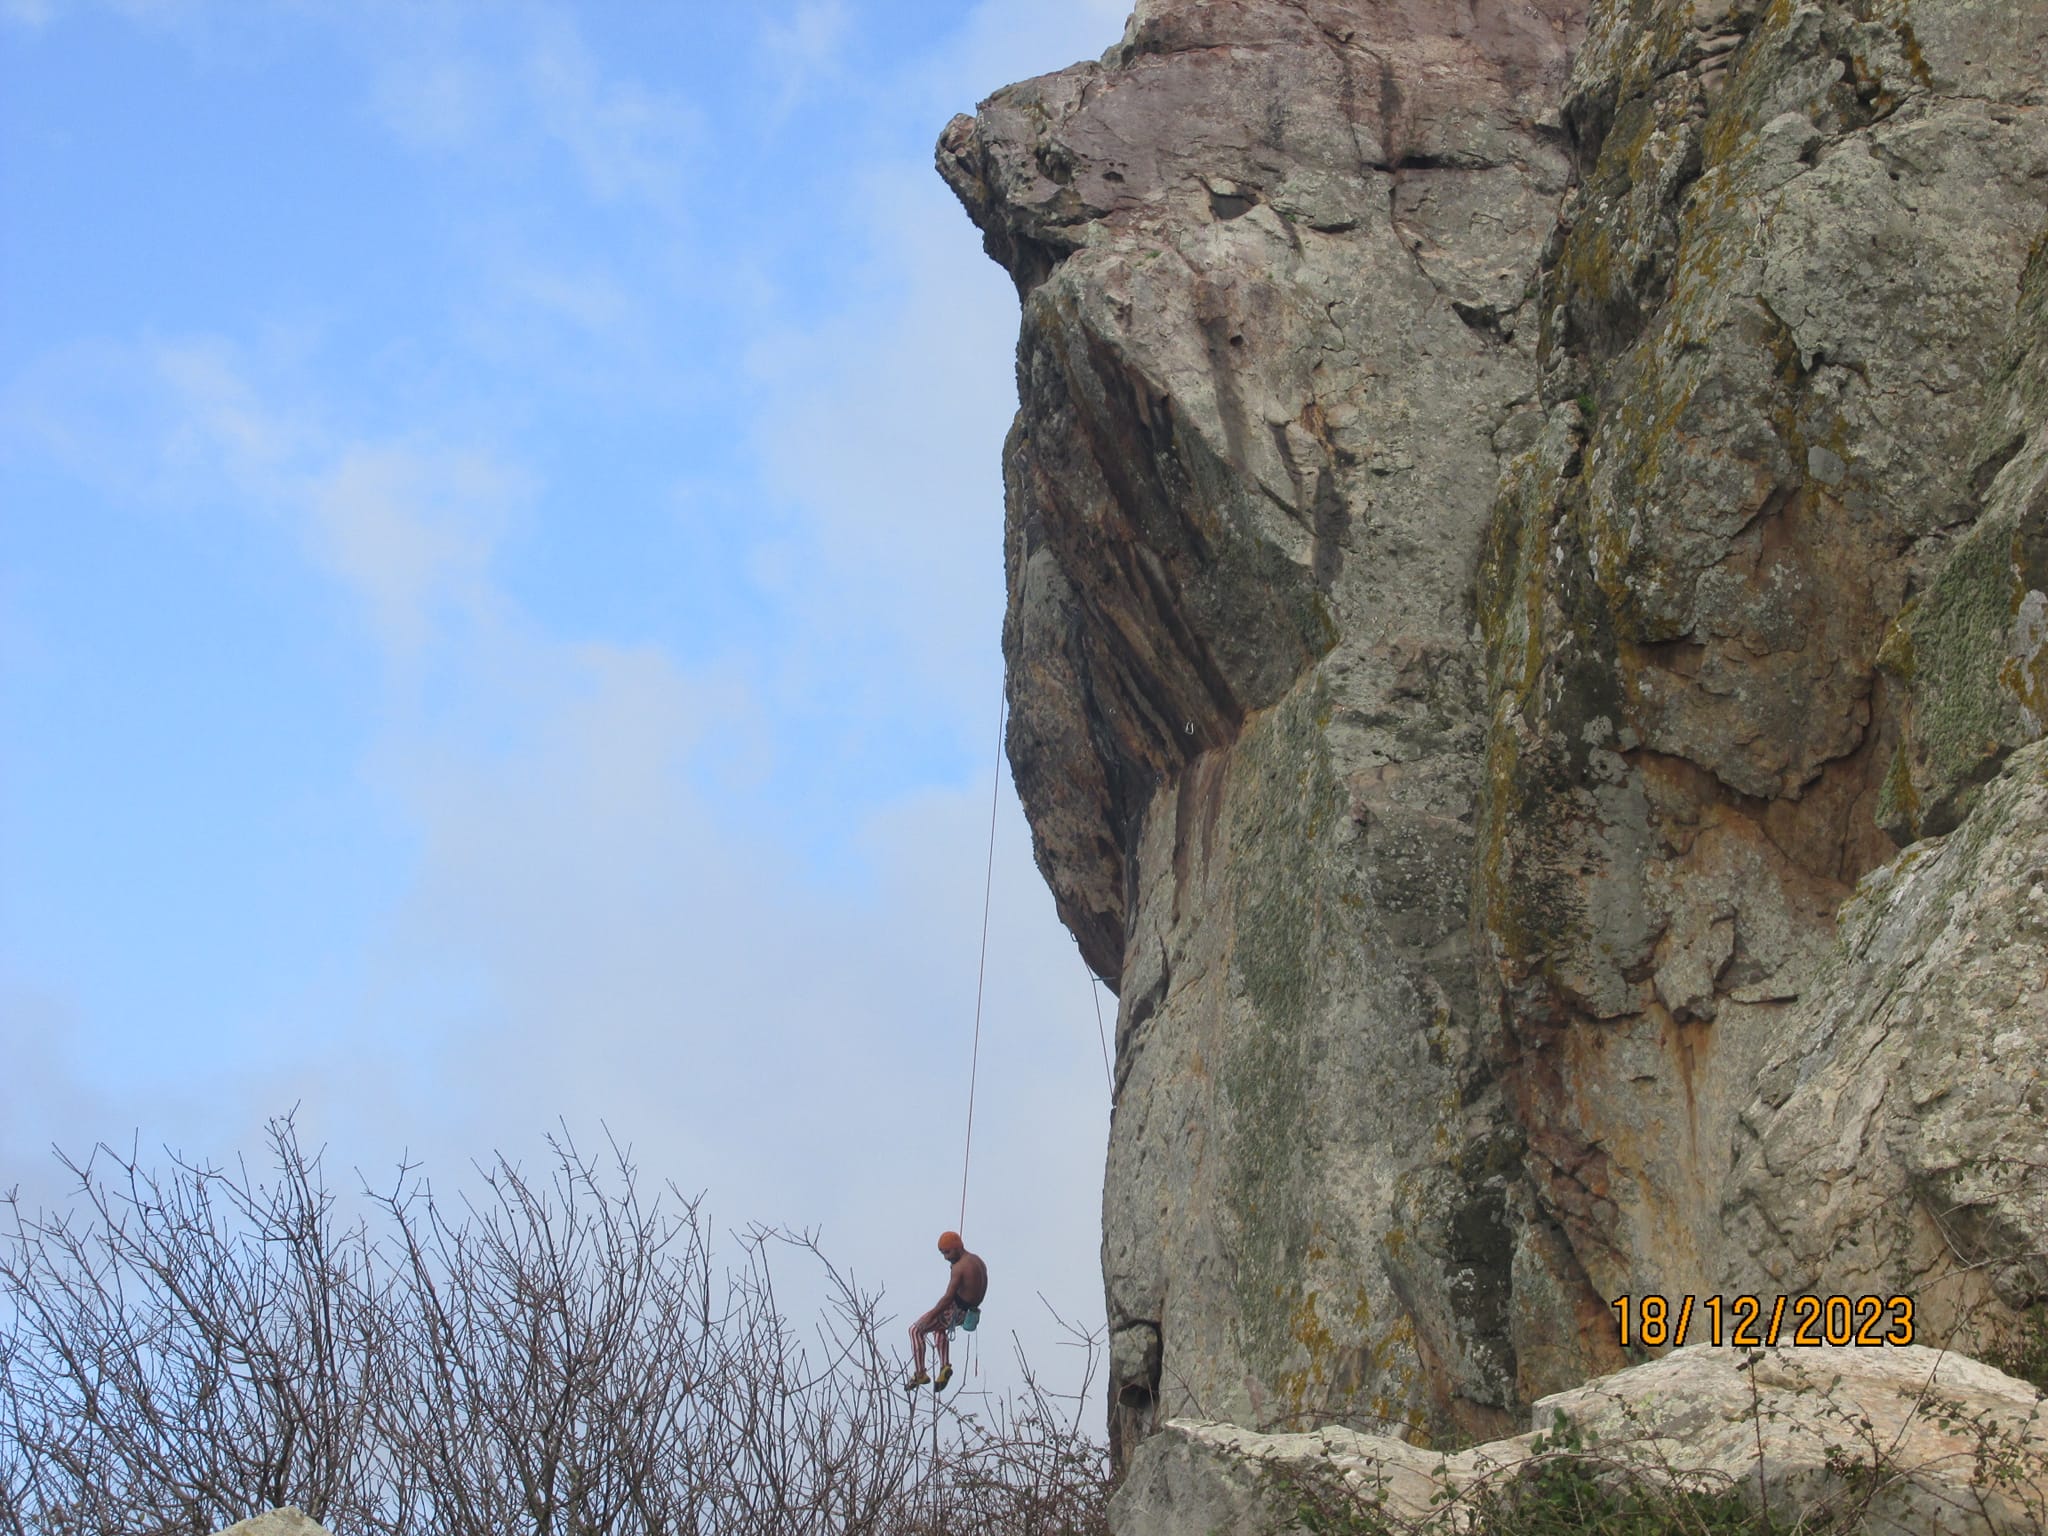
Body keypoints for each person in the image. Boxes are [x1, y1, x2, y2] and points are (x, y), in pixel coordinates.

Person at [905, 1230, 987, 1391]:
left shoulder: (959, 1268)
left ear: (957, 1247)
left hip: (956, 1309)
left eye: (948, 1252)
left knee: (915, 1330)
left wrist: (931, 1315)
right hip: (968, 1311)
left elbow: (948, 1297)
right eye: (943, 1254)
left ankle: (920, 1373)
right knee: (939, 1329)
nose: (946, 1258)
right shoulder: (977, 1260)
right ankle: (944, 1367)